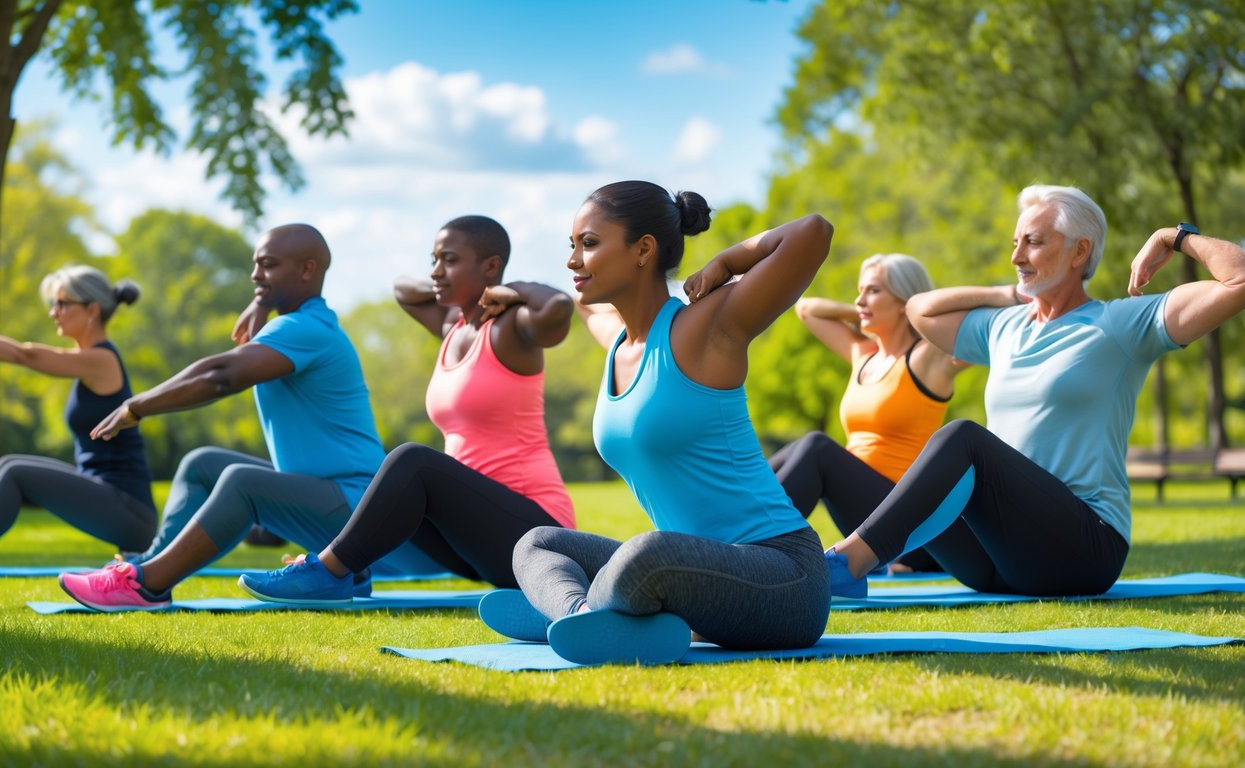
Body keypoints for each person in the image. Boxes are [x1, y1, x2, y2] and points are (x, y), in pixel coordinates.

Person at [825, 185, 1245, 599]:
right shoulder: (1003, 326)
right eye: (1015, 242)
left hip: (1084, 548)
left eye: (1034, 242)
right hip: (1001, 560)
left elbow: (1237, 280)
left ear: (1079, 252)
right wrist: (1006, 294)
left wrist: (1172, 237)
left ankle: (849, 564)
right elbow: (919, 310)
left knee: (962, 437)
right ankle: (786, 556)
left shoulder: (1119, 324)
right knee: (833, 456)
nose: (1016, 256)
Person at [480, 180, 834, 666]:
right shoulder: (617, 343)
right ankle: (581, 613)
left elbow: (813, 232)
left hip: (783, 577)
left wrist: (726, 263)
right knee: (538, 542)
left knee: (649, 552)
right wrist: (516, 290)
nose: (573, 260)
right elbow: (578, 302)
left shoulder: (708, 328)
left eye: (589, 244)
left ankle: (584, 613)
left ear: (643, 249)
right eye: (572, 245)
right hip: (692, 573)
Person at [237, 215, 576, 604]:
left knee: (412, 461)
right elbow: (403, 290)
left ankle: (328, 572)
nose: (436, 271)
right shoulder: (454, 327)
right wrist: (263, 299)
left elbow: (557, 307)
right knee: (391, 490)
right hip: (481, 537)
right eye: (433, 259)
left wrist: (510, 290)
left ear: (491, 266)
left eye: (449, 259)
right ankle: (350, 569)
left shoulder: (511, 327)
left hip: (541, 536)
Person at [57, 223, 387, 610]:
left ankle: (147, 587)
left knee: (242, 482)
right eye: (255, 264)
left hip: (359, 511)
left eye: (268, 265)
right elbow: (241, 354)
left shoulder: (305, 328)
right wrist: (265, 301)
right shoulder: (303, 323)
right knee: (203, 465)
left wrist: (137, 405)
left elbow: (222, 376)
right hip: (332, 501)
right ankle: (143, 566)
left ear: (307, 270)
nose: (254, 275)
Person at [0, 266, 154, 572]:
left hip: (129, 511)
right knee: (7, 466)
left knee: (15, 469)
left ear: (92, 310)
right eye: (53, 304)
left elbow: (23, 355)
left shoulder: (101, 360)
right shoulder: (90, 361)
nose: (53, 312)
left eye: (62, 304)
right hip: (109, 497)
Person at [770, 254, 969, 573]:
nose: (860, 299)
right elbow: (807, 309)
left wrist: (913, 312)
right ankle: (734, 530)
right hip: (865, 517)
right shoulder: (863, 353)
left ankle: (748, 548)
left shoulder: (927, 358)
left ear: (906, 300)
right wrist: (866, 310)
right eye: (860, 291)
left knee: (817, 449)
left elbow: (974, 318)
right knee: (800, 450)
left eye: (873, 291)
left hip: (911, 526)